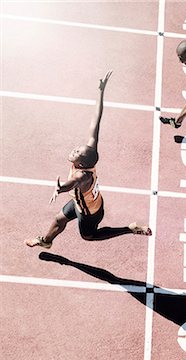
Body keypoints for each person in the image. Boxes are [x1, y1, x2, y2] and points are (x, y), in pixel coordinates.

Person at [25, 71, 151, 249]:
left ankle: (129, 229)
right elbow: (96, 121)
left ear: (82, 163)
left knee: (89, 236)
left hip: (90, 212)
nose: (74, 150)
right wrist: (101, 92)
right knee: (58, 219)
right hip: (85, 201)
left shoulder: (83, 176)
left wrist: (61, 189)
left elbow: (73, 182)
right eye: (77, 149)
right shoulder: (90, 155)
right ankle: (46, 241)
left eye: (77, 152)